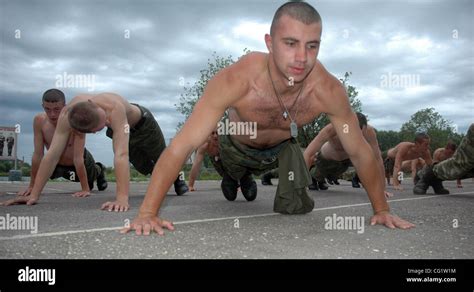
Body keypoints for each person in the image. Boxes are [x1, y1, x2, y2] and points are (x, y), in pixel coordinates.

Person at [122, 1, 413, 236]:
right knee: (234, 177)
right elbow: (181, 146)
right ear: (270, 42)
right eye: (290, 43)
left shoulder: (328, 90)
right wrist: (147, 213)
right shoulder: (237, 79)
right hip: (235, 146)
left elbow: (360, 152)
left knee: (297, 206)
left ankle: (257, 179)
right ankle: (236, 177)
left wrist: (381, 209)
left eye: (312, 45)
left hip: (280, 149)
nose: (302, 57)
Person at [1, 92, 188, 211]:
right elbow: (51, 156)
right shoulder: (68, 115)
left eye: (105, 119)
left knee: (163, 159)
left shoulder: (114, 111)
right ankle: (169, 175)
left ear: (94, 105)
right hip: (124, 130)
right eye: (101, 127)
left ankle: (177, 177)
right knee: (145, 167)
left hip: (144, 125)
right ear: (86, 131)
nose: (107, 122)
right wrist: (34, 194)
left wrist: (121, 199)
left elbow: (121, 155)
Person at [11, 89, 107, 200]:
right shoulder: (39, 121)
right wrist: (32, 186)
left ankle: (99, 170)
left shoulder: (75, 120)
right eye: (47, 109)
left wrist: (85, 189)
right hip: (57, 165)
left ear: (64, 106)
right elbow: (38, 155)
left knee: (89, 182)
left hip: (80, 160)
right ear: (43, 106)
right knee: (46, 167)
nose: (52, 114)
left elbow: (78, 158)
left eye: (57, 109)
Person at [303, 112, 393, 198]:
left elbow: (378, 159)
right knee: (320, 173)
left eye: (360, 134)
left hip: (347, 161)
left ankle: (323, 179)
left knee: (367, 159)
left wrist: (381, 190)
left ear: (365, 128)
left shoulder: (369, 132)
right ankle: (315, 177)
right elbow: (308, 153)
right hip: (326, 160)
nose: (356, 137)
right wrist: (300, 187)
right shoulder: (333, 128)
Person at [414, 126, 474, 195]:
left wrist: (459, 183)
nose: (450, 154)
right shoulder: (438, 152)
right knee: (461, 164)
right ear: (446, 149)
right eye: (449, 152)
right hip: (432, 168)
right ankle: (422, 178)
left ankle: (436, 183)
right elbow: (432, 165)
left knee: (461, 168)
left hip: (443, 167)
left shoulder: (452, 154)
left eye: (451, 153)